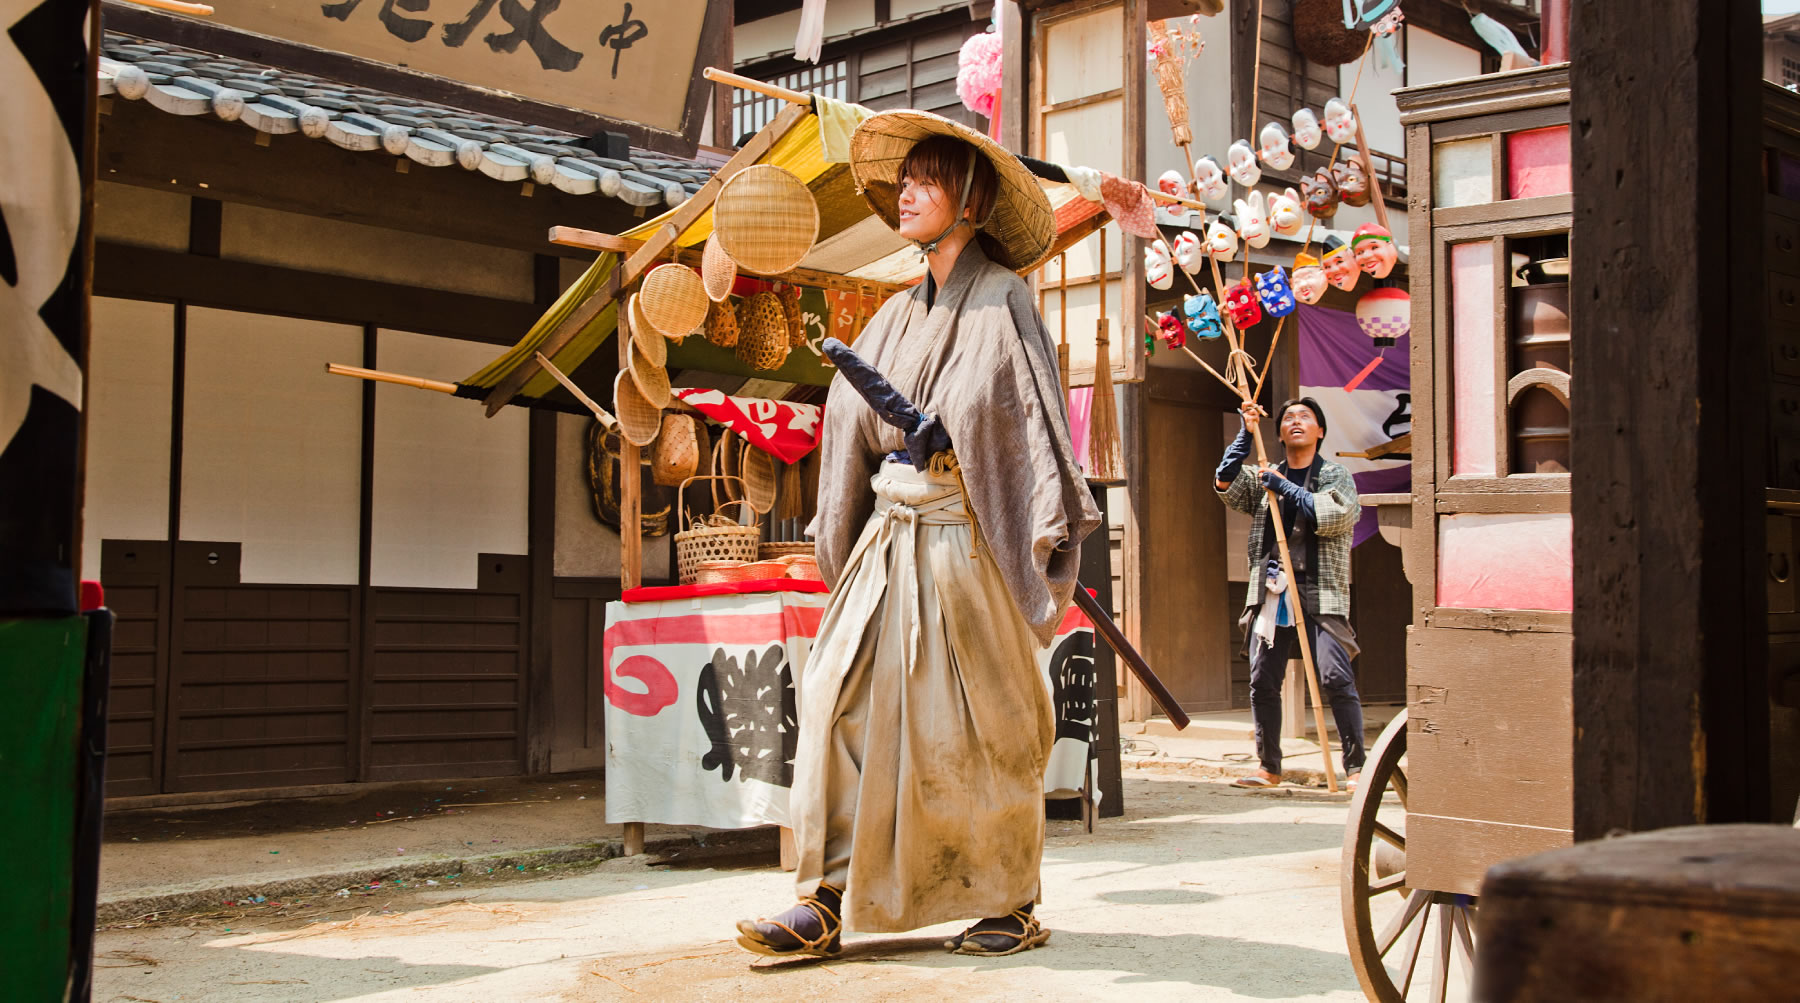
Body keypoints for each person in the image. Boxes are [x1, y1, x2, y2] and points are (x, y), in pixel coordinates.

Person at [733, 113, 1100, 959]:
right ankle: (823, 897)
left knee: (974, 727)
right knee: (833, 698)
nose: (906, 191)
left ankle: (1009, 900)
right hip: (889, 538)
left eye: (926, 179)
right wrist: (886, 437)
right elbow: (849, 417)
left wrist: (957, 442)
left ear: (969, 201)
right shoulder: (895, 313)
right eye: (905, 179)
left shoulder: (1005, 298)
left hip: (967, 539)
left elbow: (1029, 424)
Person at [1215, 398, 1365, 790]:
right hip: (1271, 589)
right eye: (1287, 419)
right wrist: (1245, 435)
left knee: (1335, 676)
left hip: (1320, 588)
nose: (1295, 422)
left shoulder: (1335, 475)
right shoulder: (1265, 473)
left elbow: (1336, 516)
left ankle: (1356, 768)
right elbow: (1225, 482)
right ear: (1279, 433)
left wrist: (1285, 488)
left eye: (1305, 417)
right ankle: (1269, 768)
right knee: (1263, 679)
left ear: (1320, 431)